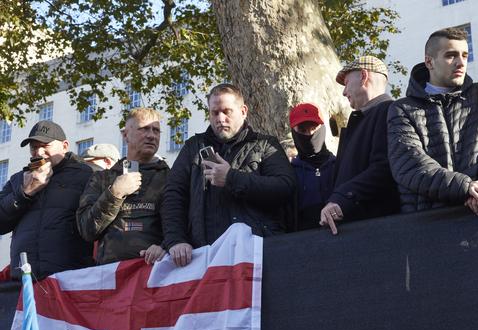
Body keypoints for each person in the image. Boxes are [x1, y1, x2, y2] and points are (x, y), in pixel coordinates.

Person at [161, 83, 296, 266]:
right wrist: (176, 239)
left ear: (243, 111)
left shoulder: (266, 145)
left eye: (227, 111)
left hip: (258, 255)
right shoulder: (193, 147)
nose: (220, 118)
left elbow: (285, 188)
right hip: (204, 256)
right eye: (214, 113)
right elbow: (174, 195)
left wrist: (231, 178)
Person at [387, 27, 478, 215]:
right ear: (429, 61)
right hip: (428, 223)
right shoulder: (402, 109)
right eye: (451, 55)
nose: (461, 63)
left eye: (465, 55)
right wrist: (466, 187)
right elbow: (409, 165)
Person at [0, 121, 93, 279]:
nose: (39, 152)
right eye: (34, 147)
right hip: (24, 278)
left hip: (70, 278)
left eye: (45, 145)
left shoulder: (87, 175)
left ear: (64, 146)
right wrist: (25, 192)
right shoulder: (18, 180)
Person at [76, 108, 169, 265]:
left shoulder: (171, 178)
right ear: (125, 135)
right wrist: (114, 194)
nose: (151, 135)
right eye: (144, 129)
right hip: (111, 277)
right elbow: (87, 230)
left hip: (155, 273)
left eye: (156, 130)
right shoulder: (102, 179)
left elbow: (182, 226)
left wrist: (165, 246)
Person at [320, 55, 400, 235]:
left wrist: (341, 199)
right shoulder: (364, 119)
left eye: (347, 83)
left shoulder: (389, 112)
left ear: (364, 76)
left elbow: (384, 168)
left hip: (376, 231)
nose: (344, 92)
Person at [289, 102, 336, 230]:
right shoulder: (289, 173)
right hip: (305, 243)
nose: (309, 134)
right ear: (294, 133)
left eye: (314, 128)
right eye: (303, 130)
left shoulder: (340, 166)